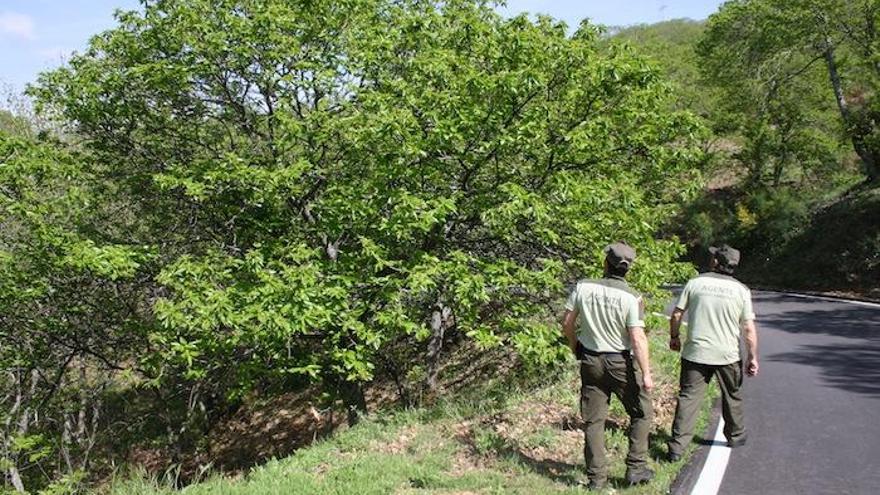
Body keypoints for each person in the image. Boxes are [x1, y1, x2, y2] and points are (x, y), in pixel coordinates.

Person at [562, 242, 655, 489]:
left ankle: (597, 480)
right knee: (641, 412)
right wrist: (646, 373)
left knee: (593, 421)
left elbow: (567, 323)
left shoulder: (584, 286)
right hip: (620, 362)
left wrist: (575, 346)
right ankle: (635, 468)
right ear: (628, 269)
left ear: (606, 263)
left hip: (591, 359)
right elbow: (637, 337)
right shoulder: (632, 297)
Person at [666, 244, 759, 462]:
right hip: (727, 355)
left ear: (715, 262)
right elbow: (748, 329)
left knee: (688, 398)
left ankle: (677, 448)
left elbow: (677, 314)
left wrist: (674, 336)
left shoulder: (695, 283)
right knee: (732, 395)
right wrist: (752, 356)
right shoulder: (741, 290)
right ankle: (735, 435)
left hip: (696, 352)